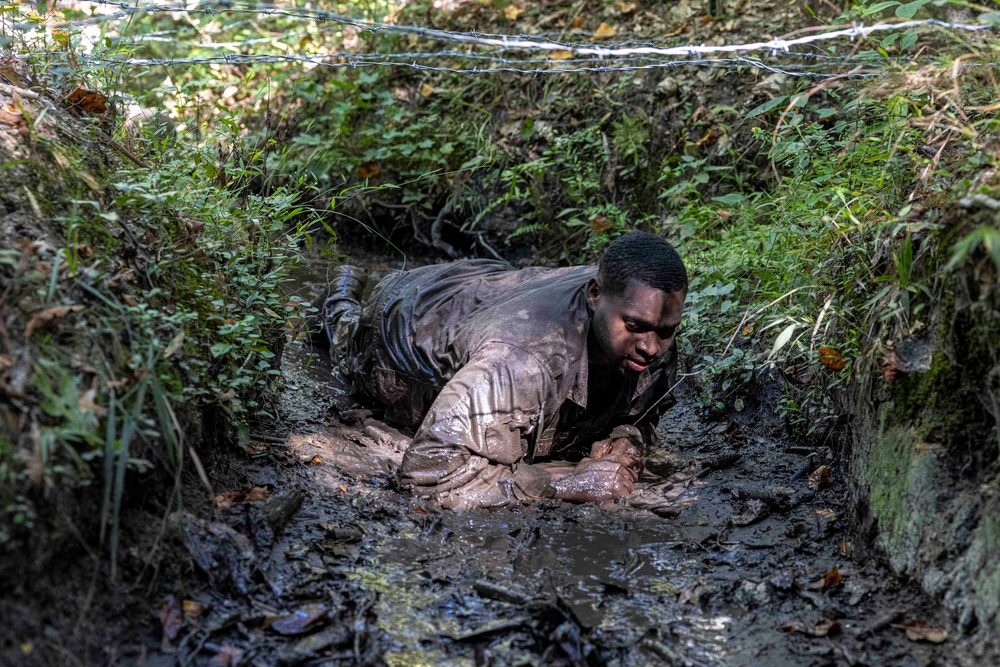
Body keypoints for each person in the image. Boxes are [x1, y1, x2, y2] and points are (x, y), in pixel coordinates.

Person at [321, 231, 687, 510]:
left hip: (487, 287)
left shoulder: (649, 327)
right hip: (402, 318)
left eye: (666, 332)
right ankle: (340, 289)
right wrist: (566, 483)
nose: (652, 347)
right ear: (595, 295)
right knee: (343, 334)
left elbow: (644, 415)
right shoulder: (520, 361)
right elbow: (428, 474)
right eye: (635, 326)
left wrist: (627, 437)